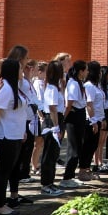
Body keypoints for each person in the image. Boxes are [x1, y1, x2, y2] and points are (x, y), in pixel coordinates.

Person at [0, 57, 29, 215]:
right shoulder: (6, 89)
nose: (23, 73)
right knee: (3, 172)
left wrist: (22, 131)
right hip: (5, 136)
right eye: (20, 69)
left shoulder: (14, 87)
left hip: (16, 135)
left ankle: (3, 203)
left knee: (9, 169)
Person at [34, 60, 65, 197]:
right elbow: (52, 108)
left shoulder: (55, 86)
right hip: (52, 121)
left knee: (54, 154)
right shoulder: (51, 88)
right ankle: (46, 184)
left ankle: (50, 181)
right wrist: (56, 126)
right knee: (49, 154)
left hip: (57, 119)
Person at [60, 60, 89, 189]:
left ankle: (70, 176)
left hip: (80, 114)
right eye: (86, 70)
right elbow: (69, 103)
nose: (87, 72)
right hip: (74, 116)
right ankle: (67, 177)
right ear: (80, 71)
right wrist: (63, 119)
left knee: (78, 146)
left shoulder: (78, 82)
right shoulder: (73, 83)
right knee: (74, 148)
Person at [83, 61, 108, 172]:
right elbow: (89, 105)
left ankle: (89, 168)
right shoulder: (89, 86)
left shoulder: (96, 86)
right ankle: (84, 168)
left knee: (94, 145)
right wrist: (93, 121)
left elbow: (100, 104)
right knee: (89, 146)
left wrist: (102, 118)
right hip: (91, 120)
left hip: (99, 118)